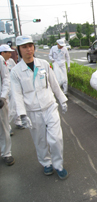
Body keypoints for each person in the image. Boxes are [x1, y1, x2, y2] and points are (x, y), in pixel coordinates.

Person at [10, 35, 69, 179]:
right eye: (24, 47)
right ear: (19, 50)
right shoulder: (16, 72)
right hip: (33, 111)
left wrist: (62, 100)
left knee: (56, 138)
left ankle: (58, 165)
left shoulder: (43, 64)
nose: (28, 49)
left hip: (50, 107)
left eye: (30, 46)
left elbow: (54, 84)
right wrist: (22, 114)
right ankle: (46, 163)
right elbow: (17, 95)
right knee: (40, 139)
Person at [0, 45, 24, 131]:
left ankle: (18, 122)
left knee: (15, 105)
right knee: (7, 109)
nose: (10, 54)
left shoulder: (11, 61)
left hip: (12, 87)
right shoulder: (1, 62)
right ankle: (7, 127)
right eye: (8, 52)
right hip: (4, 90)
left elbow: (16, 71)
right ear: (2, 53)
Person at [0, 44, 15, 166]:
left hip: (1, 100)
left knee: (4, 127)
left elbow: (6, 79)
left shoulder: (1, 61)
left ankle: (6, 153)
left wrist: (3, 96)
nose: (9, 54)